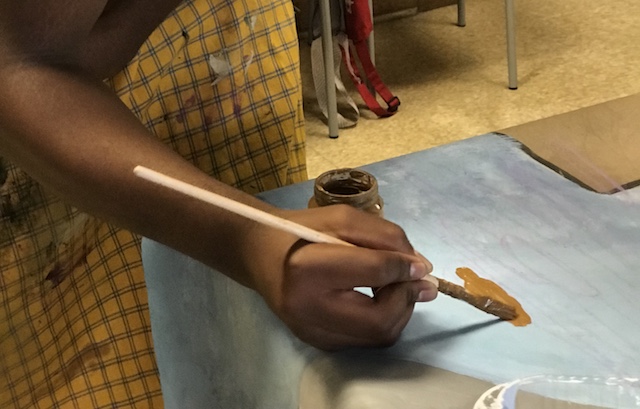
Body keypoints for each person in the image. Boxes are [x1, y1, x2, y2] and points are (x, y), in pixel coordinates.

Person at [0, 0, 438, 407]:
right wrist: (243, 234)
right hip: (84, 154)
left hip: (230, 79)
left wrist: (261, 232)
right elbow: (21, 63)